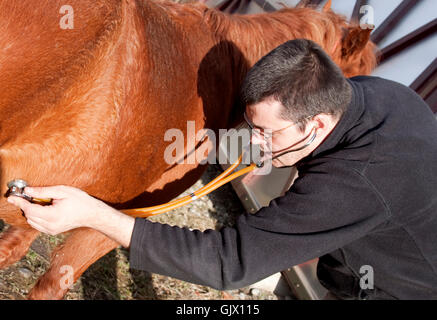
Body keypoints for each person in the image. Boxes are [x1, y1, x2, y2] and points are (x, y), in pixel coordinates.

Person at [7, 39, 437, 300]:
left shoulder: (356, 182)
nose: (255, 142)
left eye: (267, 133)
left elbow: (229, 264)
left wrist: (93, 214)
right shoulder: (366, 92)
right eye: (252, 126)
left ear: (318, 123)